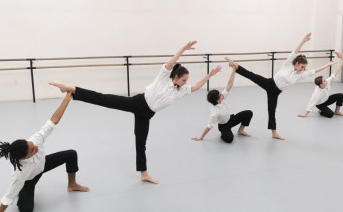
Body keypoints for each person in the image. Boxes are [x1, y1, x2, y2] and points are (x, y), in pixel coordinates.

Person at [49, 41, 221, 184]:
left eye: (186, 81)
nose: (185, 83)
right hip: (137, 102)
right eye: (183, 80)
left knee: (141, 142)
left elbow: (196, 87)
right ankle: (72, 89)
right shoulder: (164, 78)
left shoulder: (180, 90)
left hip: (146, 114)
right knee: (105, 99)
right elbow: (171, 63)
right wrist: (183, 50)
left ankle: (144, 174)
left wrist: (209, 75)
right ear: (175, 77)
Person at [0, 92, 89, 212]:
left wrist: (67, 98)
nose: (35, 147)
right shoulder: (20, 174)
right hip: (29, 178)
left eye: (31, 144)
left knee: (71, 154)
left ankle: (72, 184)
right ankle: (22, 192)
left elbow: (53, 121)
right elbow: (8, 197)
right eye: (32, 150)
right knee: (26, 210)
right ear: (25, 157)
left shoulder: (34, 140)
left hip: (42, 165)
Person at [223, 33, 339, 140]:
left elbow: (314, 71)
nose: (304, 69)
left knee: (272, 111)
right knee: (252, 75)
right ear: (297, 64)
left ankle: (274, 133)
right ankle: (234, 65)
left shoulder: (300, 75)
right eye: (302, 66)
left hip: (276, 92)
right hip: (270, 83)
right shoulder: (288, 64)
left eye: (304, 67)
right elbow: (295, 52)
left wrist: (327, 65)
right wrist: (303, 41)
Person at [191, 66, 253, 143]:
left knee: (249, 113)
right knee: (230, 139)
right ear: (217, 99)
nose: (222, 95)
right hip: (224, 126)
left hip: (231, 119)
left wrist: (234, 71)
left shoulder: (221, 99)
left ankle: (240, 131)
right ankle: (223, 134)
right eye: (220, 95)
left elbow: (229, 85)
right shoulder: (215, 113)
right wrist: (201, 137)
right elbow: (209, 126)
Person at [298, 51, 343, 118]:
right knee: (330, 114)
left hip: (326, 99)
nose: (326, 80)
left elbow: (335, 72)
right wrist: (305, 114)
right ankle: (321, 110)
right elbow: (312, 103)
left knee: (340, 95)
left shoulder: (327, 81)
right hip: (320, 104)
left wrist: (342, 62)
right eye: (324, 81)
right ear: (321, 85)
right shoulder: (318, 93)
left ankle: (337, 111)